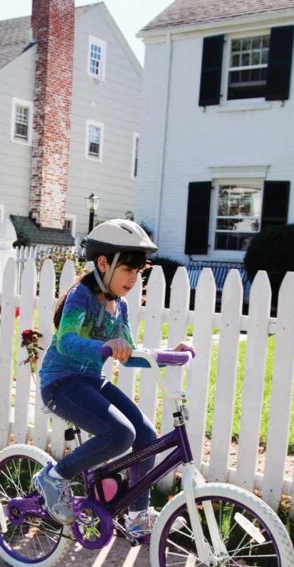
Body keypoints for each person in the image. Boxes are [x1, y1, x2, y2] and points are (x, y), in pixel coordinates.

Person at [36, 219, 192, 540]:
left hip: (91, 381)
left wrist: (168, 354)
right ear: (104, 263)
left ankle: (137, 517)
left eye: (139, 272)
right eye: (128, 270)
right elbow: (66, 341)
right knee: (120, 434)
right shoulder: (81, 296)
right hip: (61, 384)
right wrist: (104, 346)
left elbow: (131, 353)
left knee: (146, 435)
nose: (134, 279)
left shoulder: (118, 307)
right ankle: (54, 477)